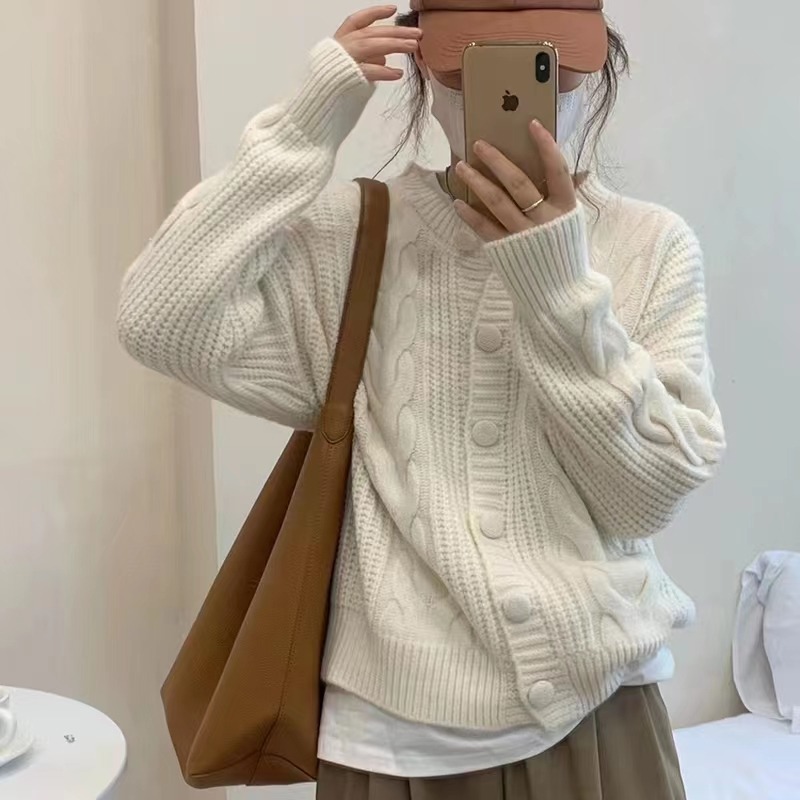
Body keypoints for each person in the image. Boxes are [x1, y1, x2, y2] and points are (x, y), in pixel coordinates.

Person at [117, 0, 726, 796]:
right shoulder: (354, 236)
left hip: (602, 722)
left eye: (551, 64)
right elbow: (160, 318)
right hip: (392, 744)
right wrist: (306, 123)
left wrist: (555, 282)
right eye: (474, 64)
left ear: (599, 65)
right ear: (419, 68)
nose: (518, 94)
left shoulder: (650, 244)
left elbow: (645, 496)